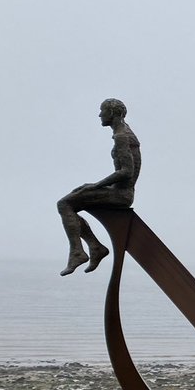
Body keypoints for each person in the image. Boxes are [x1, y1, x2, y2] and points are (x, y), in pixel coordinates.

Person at [57, 98, 141, 276]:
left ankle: (78, 252)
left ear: (112, 113)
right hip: (119, 190)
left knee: (64, 203)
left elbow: (126, 172)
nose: (100, 115)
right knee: (76, 195)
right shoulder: (123, 133)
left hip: (122, 195)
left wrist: (97, 185)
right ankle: (94, 247)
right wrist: (92, 187)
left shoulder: (122, 137)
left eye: (102, 111)